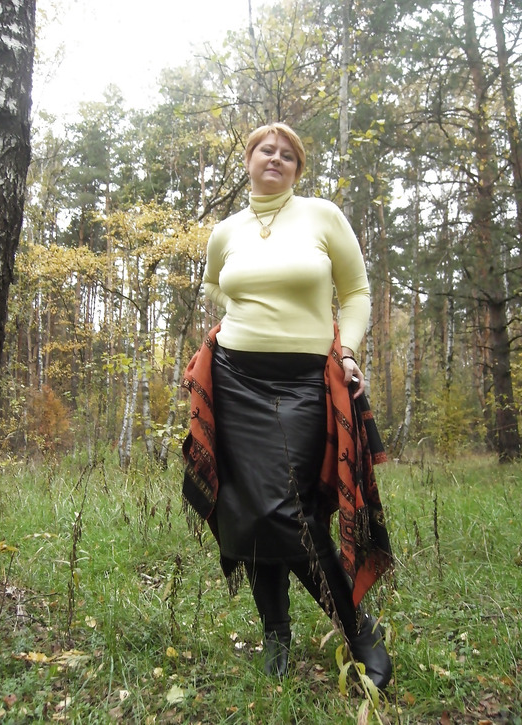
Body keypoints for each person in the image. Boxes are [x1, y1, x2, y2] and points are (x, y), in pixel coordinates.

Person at [182, 122, 393, 688]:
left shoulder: (322, 216)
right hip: (234, 379)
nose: (275, 158)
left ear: (298, 167)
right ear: (249, 160)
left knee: (288, 510)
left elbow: (357, 292)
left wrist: (347, 349)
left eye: (287, 154)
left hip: (302, 383)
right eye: (264, 150)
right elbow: (216, 288)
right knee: (247, 509)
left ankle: (360, 633)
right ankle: (276, 632)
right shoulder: (225, 232)